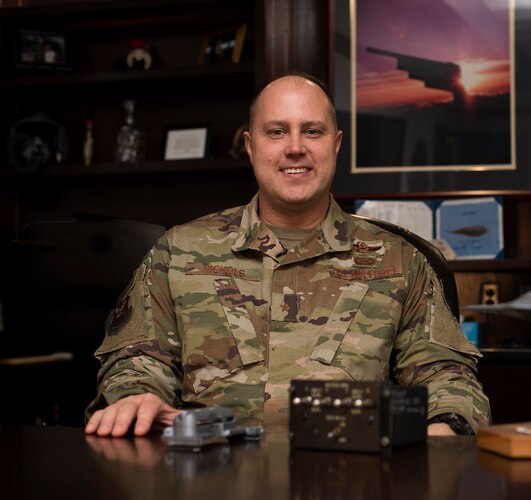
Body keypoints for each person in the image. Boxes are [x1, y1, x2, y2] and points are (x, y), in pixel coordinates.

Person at [85, 72, 491, 438]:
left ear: (336, 144)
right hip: (211, 477)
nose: (295, 148)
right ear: (250, 145)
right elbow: (136, 359)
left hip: (355, 477)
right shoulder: (178, 251)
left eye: (311, 132)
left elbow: (447, 376)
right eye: (276, 132)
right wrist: (136, 396)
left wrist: (446, 426)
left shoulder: (399, 260)